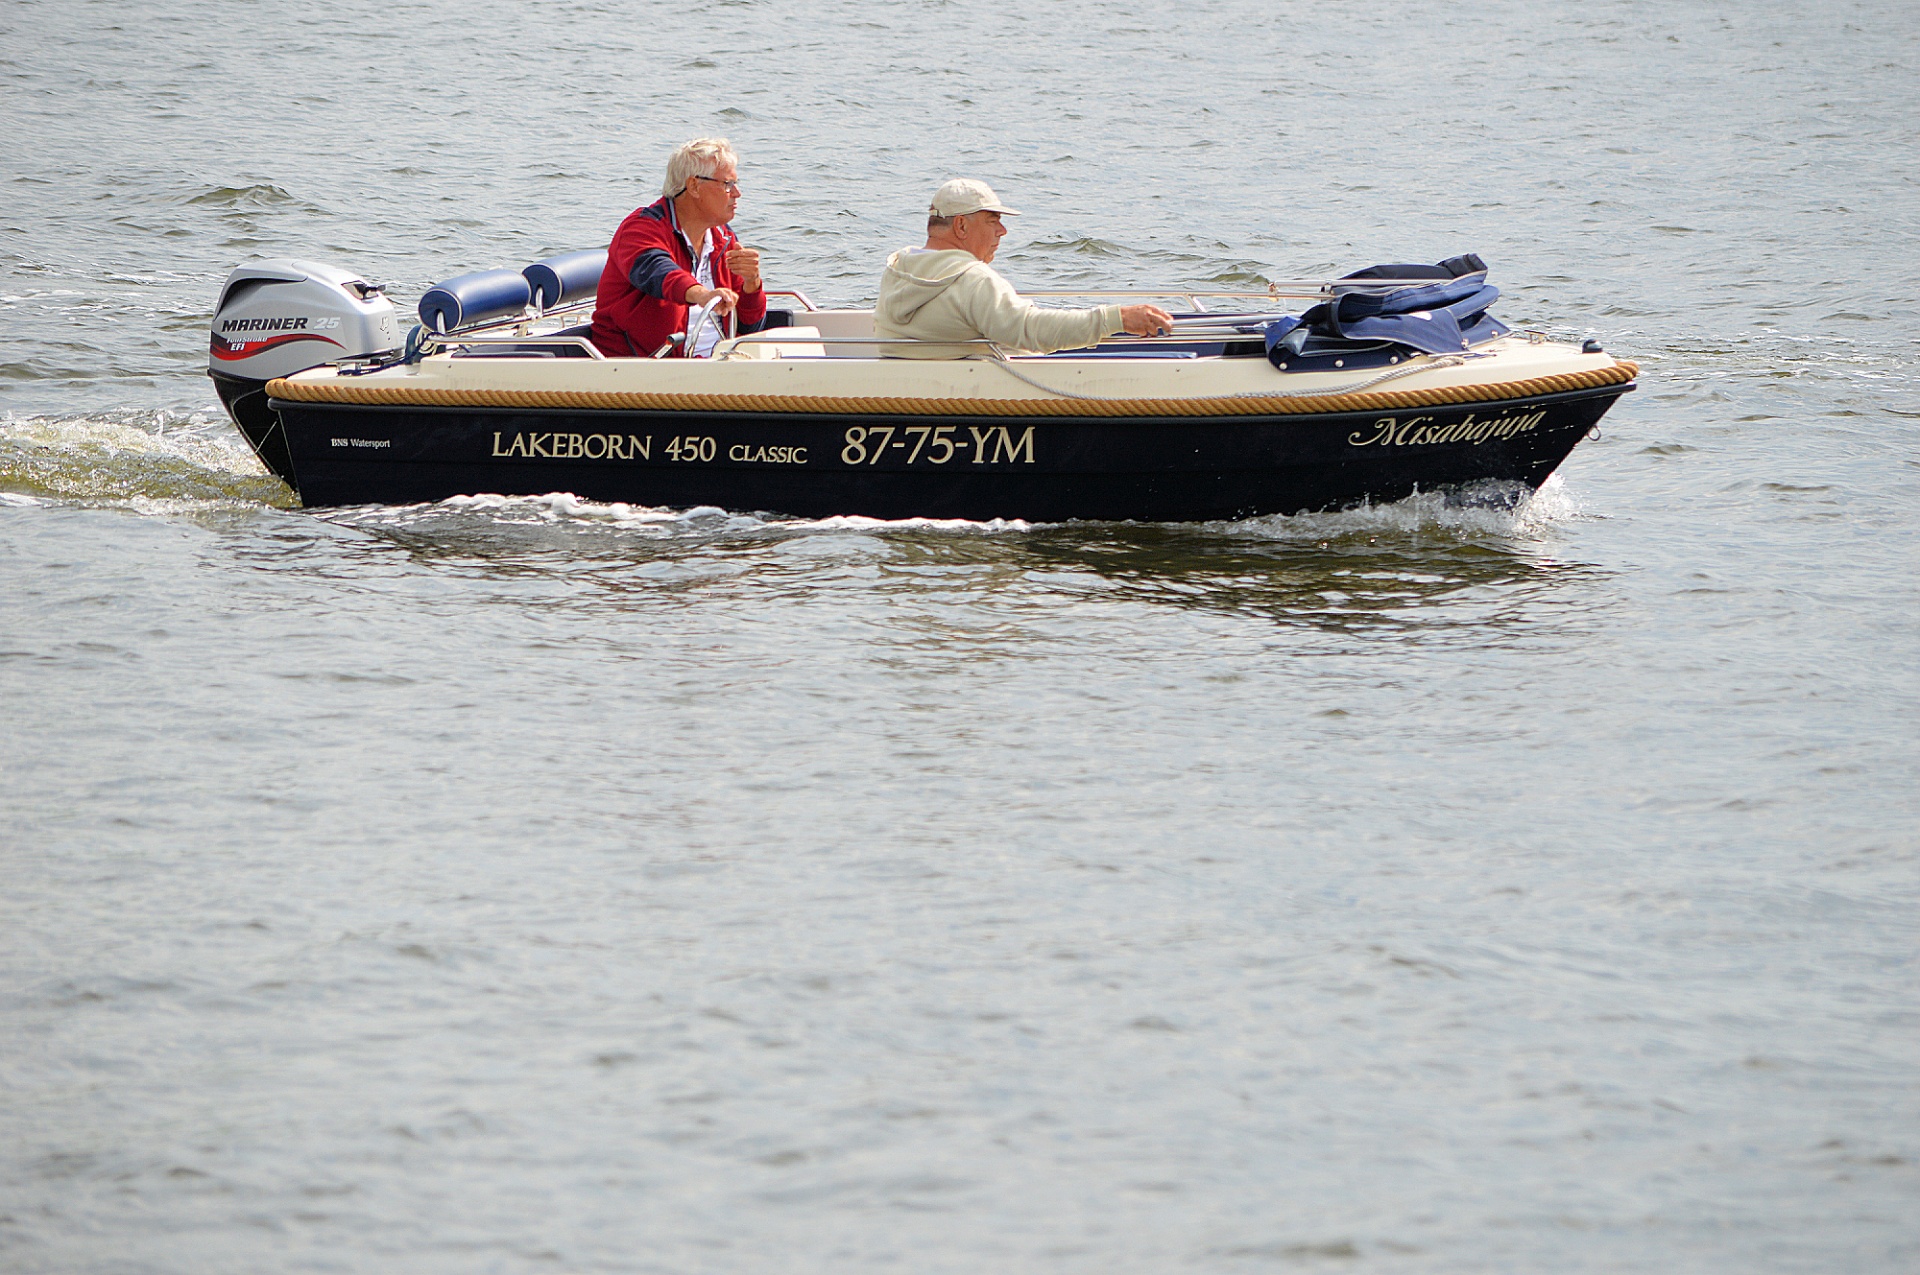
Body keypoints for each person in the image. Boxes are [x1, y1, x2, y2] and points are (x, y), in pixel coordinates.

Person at [873, 179, 1174, 358]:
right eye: (993, 221)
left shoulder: (898, 268)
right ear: (961, 225)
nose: (1002, 231)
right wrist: (1117, 318)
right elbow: (1029, 329)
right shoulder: (973, 281)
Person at [589, 137, 766, 358]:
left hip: (715, 366)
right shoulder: (641, 228)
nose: (737, 193)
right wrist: (702, 295)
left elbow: (752, 328)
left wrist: (752, 283)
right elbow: (657, 271)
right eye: (727, 184)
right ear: (693, 186)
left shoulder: (724, 237)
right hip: (639, 371)